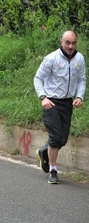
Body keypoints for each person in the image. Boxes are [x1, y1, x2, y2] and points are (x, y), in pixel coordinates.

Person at [34, 30, 86, 184]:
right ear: (61, 42)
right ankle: (53, 170)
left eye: (73, 43)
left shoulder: (79, 59)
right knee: (56, 137)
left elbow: (82, 79)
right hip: (51, 102)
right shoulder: (51, 59)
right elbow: (38, 78)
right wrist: (43, 97)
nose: (70, 46)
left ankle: (44, 151)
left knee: (62, 139)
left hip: (67, 102)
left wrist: (79, 96)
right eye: (67, 42)